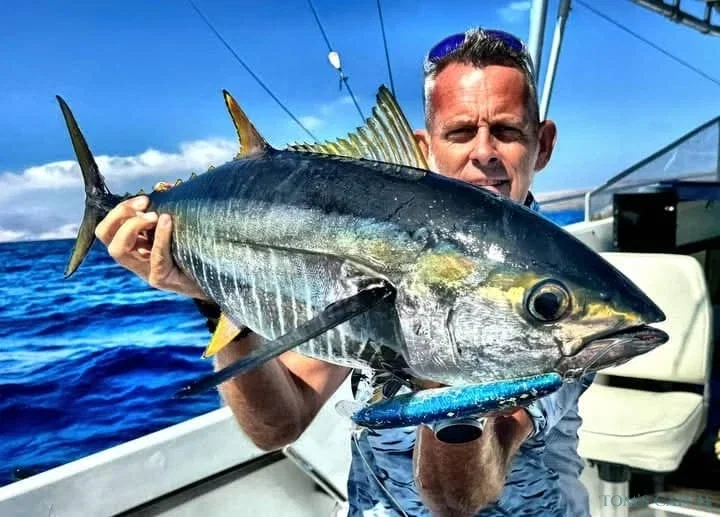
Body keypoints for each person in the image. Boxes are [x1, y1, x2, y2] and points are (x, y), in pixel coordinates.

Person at [94, 27, 594, 517]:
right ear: (425, 146)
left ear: (543, 144)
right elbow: (279, 425)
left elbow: (456, 500)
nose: (483, 152)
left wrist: (437, 370)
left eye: (506, 131)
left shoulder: (559, 298)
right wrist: (212, 295)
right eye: (460, 132)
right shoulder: (382, 245)